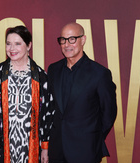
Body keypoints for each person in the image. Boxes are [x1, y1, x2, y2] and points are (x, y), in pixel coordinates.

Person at [0, 25, 55, 163]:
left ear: (29, 45)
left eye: (17, 44)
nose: (12, 49)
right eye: (8, 44)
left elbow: (47, 116)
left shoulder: (41, 77)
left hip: (31, 146)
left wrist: (45, 148)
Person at [47, 22, 117, 163]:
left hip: (86, 150)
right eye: (63, 40)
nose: (67, 44)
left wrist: (92, 136)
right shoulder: (53, 70)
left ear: (83, 40)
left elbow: (109, 113)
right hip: (56, 150)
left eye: (72, 39)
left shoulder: (99, 74)